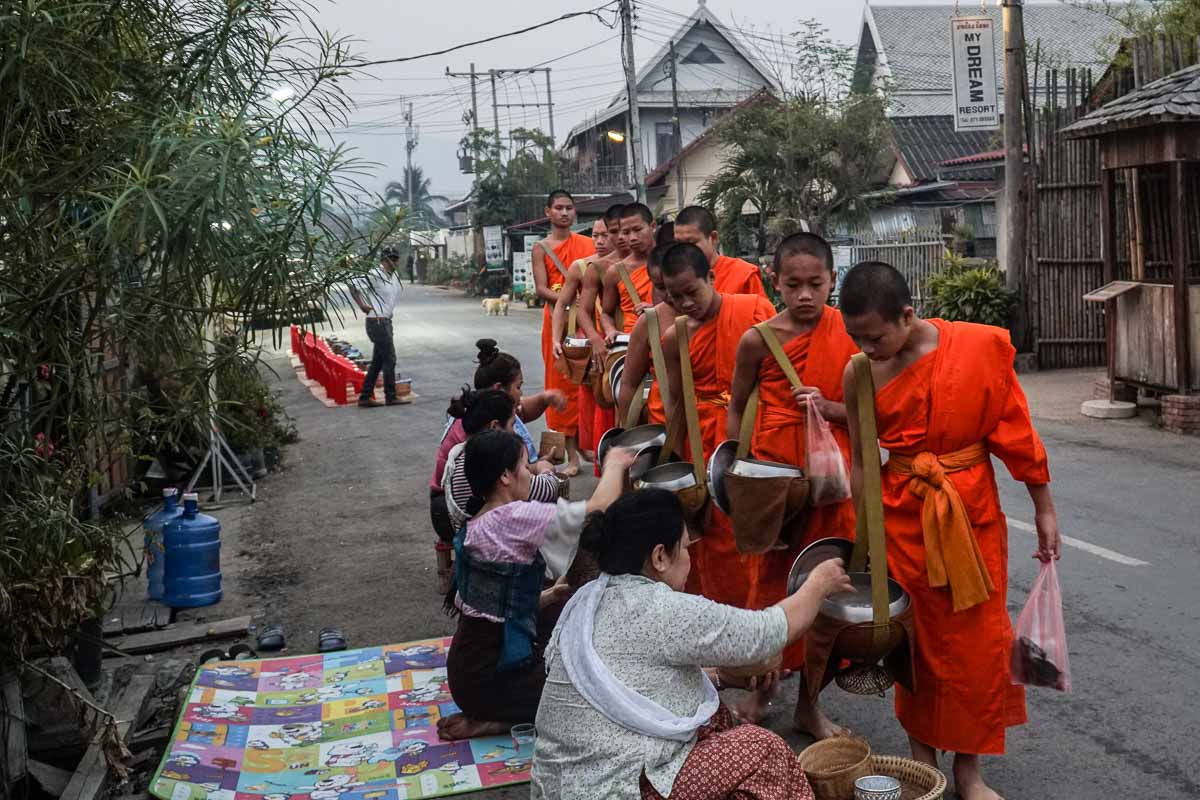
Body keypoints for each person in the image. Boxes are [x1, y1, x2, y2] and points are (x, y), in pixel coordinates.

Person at [839, 261, 1061, 800]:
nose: (867, 349)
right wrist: (862, 540)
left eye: (875, 336)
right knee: (914, 645)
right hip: (901, 517)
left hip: (970, 516)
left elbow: (1016, 433)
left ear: (908, 315)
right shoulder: (858, 372)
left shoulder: (976, 349)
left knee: (978, 648)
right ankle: (925, 766)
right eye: (856, 338)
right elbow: (865, 460)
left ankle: (969, 771)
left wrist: (1044, 509)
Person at [531, 489, 853, 800]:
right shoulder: (658, 608)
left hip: (561, 784)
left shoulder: (590, 598)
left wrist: (723, 678)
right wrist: (818, 584)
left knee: (717, 720)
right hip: (613, 786)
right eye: (685, 548)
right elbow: (763, 634)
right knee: (762, 750)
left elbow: (637, 678)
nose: (689, 558)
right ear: (659, 556)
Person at [725, 232, 860, 736]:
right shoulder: (757, 339)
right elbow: (737, 408)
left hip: (831, 482)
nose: (805, 295)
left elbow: (873, 412)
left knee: (826, 591)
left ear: (832, 280)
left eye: (816, 284)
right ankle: (760, 692)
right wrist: (734, 475)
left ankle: (810, 704)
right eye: (794, 284)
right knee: (770, 590)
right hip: (776, 483)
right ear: (774, 281)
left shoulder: (849, 333)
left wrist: (829, 408)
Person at [438, 431, 636, 741]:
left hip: (466, 677)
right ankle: (496, 722)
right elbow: (599, 505)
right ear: (505, 476)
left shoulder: (478, 519)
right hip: (490, 682)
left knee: (561, 613)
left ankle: (497, 713)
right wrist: (614, 463)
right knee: (594, 693)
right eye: (525, 465)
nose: (531, 471)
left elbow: (493, 608)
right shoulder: (515, 516)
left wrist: (549, 596)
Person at [660, 243, 776, 610]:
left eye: (692, 292)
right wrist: (673, 460)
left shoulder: (754, 310)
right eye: (676, 297)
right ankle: (719, 616)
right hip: (704, 443)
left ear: (711, 277)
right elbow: (677, 402)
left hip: (753, 432)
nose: (686, 303)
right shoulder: (673, 337)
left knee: (757, 529)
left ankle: (762, 619)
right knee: (713, 535)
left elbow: (774, 376)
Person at [431, 341, 565, 551]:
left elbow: (522, 411)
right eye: (518, 387)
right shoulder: (486, 451)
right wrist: (542, 469)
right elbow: (543, 489)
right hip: (454, 517)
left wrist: (544, 398)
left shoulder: (479, 413)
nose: (521, 395)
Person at [532, 190, 596, 476]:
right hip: (557, 322)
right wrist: (567, 298)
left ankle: (587, 444)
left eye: (569, 208)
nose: (564, 213)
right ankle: (570, 456)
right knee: (562, 384)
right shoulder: (541, 248)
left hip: (585, 320)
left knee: (587, 383)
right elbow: (541, 288)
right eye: (558, 208)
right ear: (548, 212)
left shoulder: (587, 243)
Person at [439, 389, 562, 530]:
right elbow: (548, 489)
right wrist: (545, 468)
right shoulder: (492, 462)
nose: (515, 432)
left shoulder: (459, 457)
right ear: (494, 426)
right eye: (512, 425)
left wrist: (529, 467)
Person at [551, 216, 618, 462]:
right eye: (595, 236)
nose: (600, 241)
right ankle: (601, 457)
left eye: (605, 235)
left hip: (623, 344)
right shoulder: (581, 267)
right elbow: (561, 305)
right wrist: (556, 339)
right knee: (597, 403)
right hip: (594, 349)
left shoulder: (634, 265)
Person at [616, 242, 677, 427]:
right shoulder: (650, 321)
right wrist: (626, 433)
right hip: (663, 418)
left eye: (674, 285)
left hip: (711, 418)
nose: (669, 294)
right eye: (660, 287)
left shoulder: (717, 312)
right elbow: (628, 384)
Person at [350, 246, 409, 408]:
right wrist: (362, 305)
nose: (392, 262)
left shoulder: (395, 275)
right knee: (390, 359)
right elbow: (353, 285)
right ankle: (390, 396)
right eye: (389, 259)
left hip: (386, 321)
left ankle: (364, 397)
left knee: (378, 362)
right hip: (376, 321)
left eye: (395, 258)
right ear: (382, 260)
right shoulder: (374, 274)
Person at [673, 206, 767, 298]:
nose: (683, 250)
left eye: (691, 243)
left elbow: (762, 312)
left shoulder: (742, 274)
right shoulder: (674, 278)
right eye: (678, 243)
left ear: (713, 238)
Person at [600, 204, 657, 338]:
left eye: (638, 230)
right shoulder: (616, 272)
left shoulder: (672, 261)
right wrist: (610, 330)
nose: (632, 238)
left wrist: (657, 309)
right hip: (632, 341)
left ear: (652, 226)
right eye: (626, 232)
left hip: (668, 338)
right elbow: (606, 313)